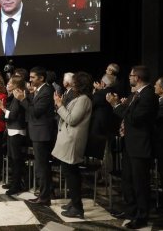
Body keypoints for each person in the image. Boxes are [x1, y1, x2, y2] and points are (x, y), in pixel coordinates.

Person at [106, 65, 159, 229]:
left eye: (131, 75)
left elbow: (134, 118)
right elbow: (128, 113)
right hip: (130, 144)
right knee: (128, 181)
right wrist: (122, 105)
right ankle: (131, 211)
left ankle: (142, 217)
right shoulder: (136, 94)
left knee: (140, 183)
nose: (128, 77)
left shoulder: (149, 95)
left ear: (137, 77)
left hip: (141, 146)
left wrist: (116, 105)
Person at [52, 71, 94, 219]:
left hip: (72, 141)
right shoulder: (80, 98)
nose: (72, 84)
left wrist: (59, 105)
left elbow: (72, 119)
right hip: (68, 140)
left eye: (75, 82)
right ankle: (73, 202)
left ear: (80, 84)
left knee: (72, 174)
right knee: (70, 173)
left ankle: (77, 207)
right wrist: (61, 105)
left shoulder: (84, 100)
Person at [15, 66, 55, 206]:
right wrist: (29, 96)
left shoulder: (47, 91)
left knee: (42, 166)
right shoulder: (39, 90)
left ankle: (44, 197)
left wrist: (22, 99)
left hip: (42, 133)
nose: (30, 80)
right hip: (37, 132)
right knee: (41, 166)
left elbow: (36, 111)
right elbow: (33, 105)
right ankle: (45, 193)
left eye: (32, 77)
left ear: (41, 78)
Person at [0, 75, 27, 195]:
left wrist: (1, 107)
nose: (8, 84)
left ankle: (17, 185)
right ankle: (14, 182)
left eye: (10, 82)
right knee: (12, 159)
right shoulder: (12, 97)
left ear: (16, 85)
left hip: (17, 131)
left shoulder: (18, 96)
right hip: (11, 130)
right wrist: (1, 108)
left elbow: (12, 115)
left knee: (16, 159)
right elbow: (6, 116)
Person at [154, 77, 163, 212]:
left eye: (156, 85)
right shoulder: (160, 101)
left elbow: (154, 116)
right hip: (160, 143)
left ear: (162, 89)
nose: (154, 87)